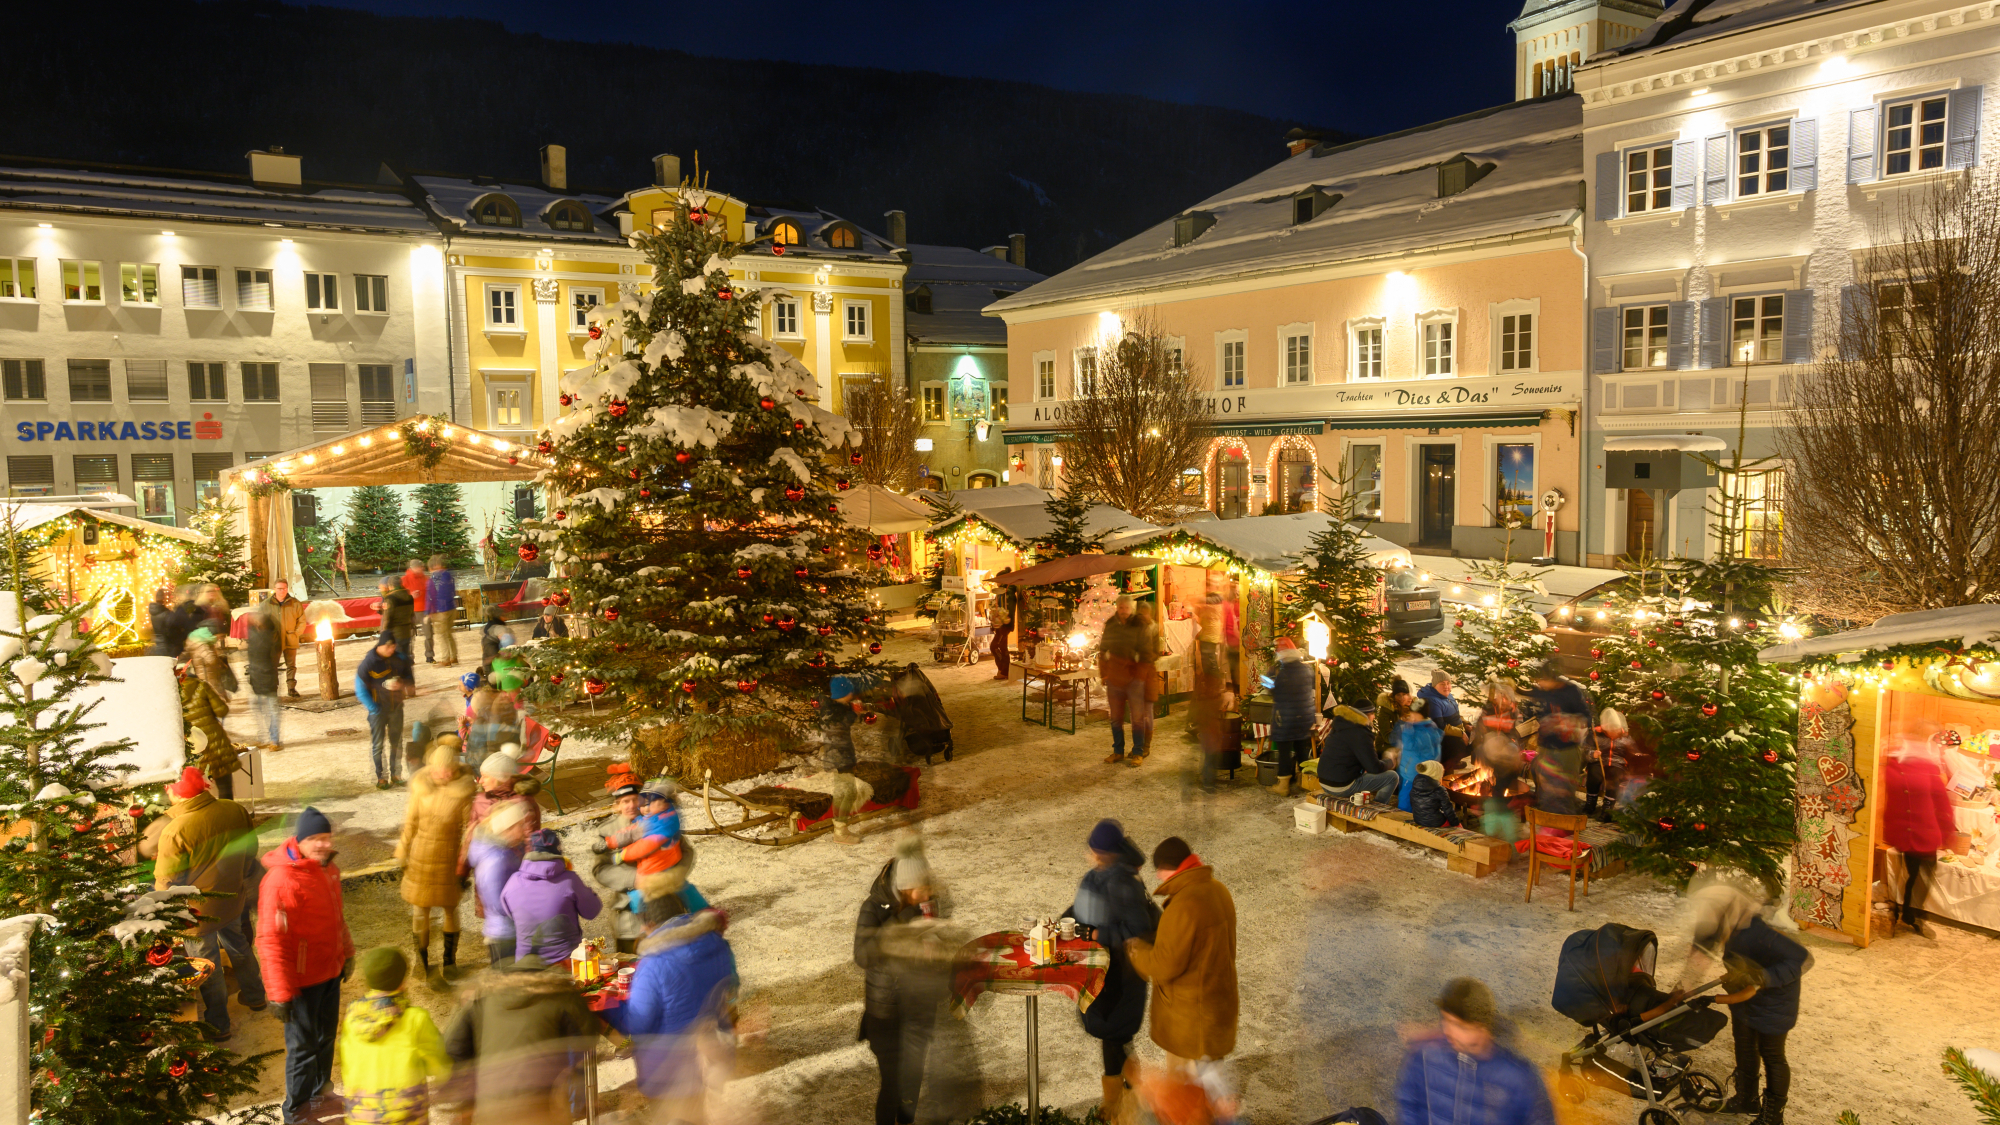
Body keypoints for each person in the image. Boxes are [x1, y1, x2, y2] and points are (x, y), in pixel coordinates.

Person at [256, 807, 355, 1125]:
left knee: (326, 1038)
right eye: (315, 838)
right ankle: (296, 1112)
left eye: (326, 837)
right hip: (300, 982)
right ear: (300, 840)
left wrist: (347, 953)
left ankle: (320, 1096)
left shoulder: (329, 869)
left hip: (329, 971)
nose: (323, 844)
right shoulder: (280, 880)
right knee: (302, 1048)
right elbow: (270, 940)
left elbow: (338, 918)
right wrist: (279, 992)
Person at [154, 767, 265, 1039]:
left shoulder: (175, 830)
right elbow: (250, 850)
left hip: (197, 913)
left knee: (207, 964)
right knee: (239, 945)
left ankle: (218, 1025)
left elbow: (166, 882)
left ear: (178, 795)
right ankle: (256, 996)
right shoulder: (233, 809)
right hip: (232, 899)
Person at [612, 895, 741, 1125]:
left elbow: (638, 1024)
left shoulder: (653, 963)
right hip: (705, 1058)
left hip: (666, 1067)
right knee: (695, 1114)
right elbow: (728, 990)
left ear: (651, 924)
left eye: (643, 922)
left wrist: (610, 1007)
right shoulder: (716, 944)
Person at [1062, 820, 1159, 1120]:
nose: (1090, 855)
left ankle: (1127, 1105)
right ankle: (1119, 1104)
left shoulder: (1124, 883)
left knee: (1116, 1037)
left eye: (1095, 851)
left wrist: (1097, 936)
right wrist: (1060, 924)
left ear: (1104, 853)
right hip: (1101, 971)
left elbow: (1138, 928)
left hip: (1122, 975)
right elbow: (1079, 910)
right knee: (1113, 1038)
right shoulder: (1096, 877)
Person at [1691, 884, 1810, 1123]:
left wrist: (1762, 978)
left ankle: (1772, 1117)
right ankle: (1746, 1099)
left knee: (1772, 1055)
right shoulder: (1731, 926)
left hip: (1774, 1003)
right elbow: (1705, 949)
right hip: (1744, 999)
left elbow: (1802, 959)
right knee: (1744, 1047)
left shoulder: (1760, 931)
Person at [442, 955, 606, 1125]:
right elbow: (588, 1035)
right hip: (543, 1108)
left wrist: (474, 1085)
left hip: (491, 1108)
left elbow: (452, 1046)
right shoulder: (561, 990)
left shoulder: (484, 994)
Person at [855, 832, 945, 1125]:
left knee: (912, 1085)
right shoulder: (874, 908)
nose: (929, 892)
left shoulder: (928, 907)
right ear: (906, 888)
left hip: (919, 1009)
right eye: (922, 887)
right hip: (886, 1013)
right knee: (893, 1086)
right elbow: (863, 955)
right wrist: (901, 927)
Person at [1126, 837, 1237, 1071]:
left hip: (1190, 1018)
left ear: (1169, 868)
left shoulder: (1183, 906)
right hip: (1217, 1005)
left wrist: (1137, 951)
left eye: (1160, 870)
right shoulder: (1219, 890)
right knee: (1212, 1075)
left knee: (1187, 1090)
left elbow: (1164, 964)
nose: (1157, 877)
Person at [1394, 977, 1555, 1125]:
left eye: (1459, 1026)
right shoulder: (1426, 1056)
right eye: (1446, 1020)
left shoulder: (1518, 1077)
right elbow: (1408, 1102)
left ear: (1482, 1028)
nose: (1448, 1030)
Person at [336, 947, 452, 1125]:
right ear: (403, 981)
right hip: (405, 1117)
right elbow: (439, 1067)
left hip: (361, 1117)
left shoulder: (352, 1017)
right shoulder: (416, 1019)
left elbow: (348, 1064)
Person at [397, 744, 476, 984]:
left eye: (447, 770)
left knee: (450, 909)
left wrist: (465, 864)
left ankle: (449, 961)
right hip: (421, 857)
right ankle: (421, 961)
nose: (442, 774)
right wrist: (402, 849)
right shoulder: (421, 788)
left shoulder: (464, 792)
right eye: (438, 769)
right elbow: (410, 822)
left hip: (449, 859)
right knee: (420, 910)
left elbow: (470, 831)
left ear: (454, 769)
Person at [1882, 726, 1957, 939]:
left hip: (1924, 831)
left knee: (1920, 874)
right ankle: (1905, 913)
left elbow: (1941, 801)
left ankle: (1908, 913)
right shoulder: (1896, 767)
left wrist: (1946, 829)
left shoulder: (1918, 767)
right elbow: (1895, 800)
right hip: (1906, 832)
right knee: (1913, 874)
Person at [502, 829, 604, 965]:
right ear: (558, 851)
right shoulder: (569, 880)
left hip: (526, 966)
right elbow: (592, 911)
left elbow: (509, 914)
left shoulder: (512, 882)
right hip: (566, 966)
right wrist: (587, 891)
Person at [1525, 660, 1597, 816]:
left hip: (1567, 749)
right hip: (1546, 747)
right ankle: (1547, 819)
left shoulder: (1571, 691)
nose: (1540, 684)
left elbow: (1586, 717)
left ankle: (1566, 821)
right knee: (1545, 784)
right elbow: (1526, 692)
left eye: (1542, 680)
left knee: (1564, 788)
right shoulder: (1545, 692)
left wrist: (1567, 721)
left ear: (1553, 678)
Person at [468, 799, 533, 967]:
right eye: (520, 825)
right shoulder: (497, 860)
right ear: (507, 828)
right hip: (506, 936)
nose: (524, 829)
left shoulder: (506, 851)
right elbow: (498, 904)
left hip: (511, 931)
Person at [592, 773, 649, 954]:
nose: (631, 805)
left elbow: (684, 852)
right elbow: (600, 869)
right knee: (630, 969)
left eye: (635, 799)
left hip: (664, 907)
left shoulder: (658, 822)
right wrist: (635, 878)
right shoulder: (607, 832)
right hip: (629, 915)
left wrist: (671, 875)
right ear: (617, 805)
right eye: (625, 801)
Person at [1100, 597, 1159, 767]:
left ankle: (1138, 752)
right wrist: (1104, 673)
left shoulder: (1139, 625)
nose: (1123, 610)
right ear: (1117, 608)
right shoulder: (1111, 624)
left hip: (1134, 679)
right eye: (1120, 607)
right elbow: (1103, 649)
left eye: (1126, 607)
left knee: (1138, 718)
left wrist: (1139, 675)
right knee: (1116, 718)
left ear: (1131, 608)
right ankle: (1118, 751)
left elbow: (1147, 653)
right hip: (1115, 677)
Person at [179, 644, 242, 798]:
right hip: (215, 743)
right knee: (225, 786)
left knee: (196, 790)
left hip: (193, 748)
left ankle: (204, 817)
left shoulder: (171, 695)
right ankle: (229, 816)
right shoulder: (201, 686)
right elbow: (222, 710)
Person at [356, 633, 414, 789]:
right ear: (380, 645)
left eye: (393, 646)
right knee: (378, 745)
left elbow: (409, 677)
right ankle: (381, 777)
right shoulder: (369, 663)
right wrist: (374, 708)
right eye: (388, 646)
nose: (391, 649)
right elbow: (360, 689)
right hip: (378, 710)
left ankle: (396, 775)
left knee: (397, 743)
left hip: (396, 707)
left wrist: (402, 684)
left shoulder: (400, 658)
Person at [1317, 698, 1400, 806]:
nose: (1374, 717)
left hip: (1324, 780)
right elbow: (1374, 768)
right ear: (1364, 715)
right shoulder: (1361, 732)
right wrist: (1390, 761)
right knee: (1392, 777)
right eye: (1372, 713)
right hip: (1340, 785)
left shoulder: (1341, 725)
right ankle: (1378, 808)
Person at [1268, 636, 1316, 797]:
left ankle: (1283, 786)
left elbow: (1273, 692)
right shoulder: (1307, 670)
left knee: (1284, 752)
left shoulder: (1284, 674)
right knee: (1302, 750)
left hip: (1286, 719)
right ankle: (1304, 782)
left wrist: (1268, 677)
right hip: (1305, 717)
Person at [890, 662, 953, 764]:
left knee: (935, 716)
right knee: (931, 717)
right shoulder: (911, 684)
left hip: (924, 707)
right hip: (917, 708)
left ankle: (932, 738)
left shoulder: (914, 682)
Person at [244, 601, 284, 752]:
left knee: (271, 710)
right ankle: (266, 738)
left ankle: (274, 740)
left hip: (266, 678)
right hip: (257, 678)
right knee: (259, 709)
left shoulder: (268, 639)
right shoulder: (258, 636)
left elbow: (273, 658)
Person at [1418, 669, 1470, 772]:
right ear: (1434, 686)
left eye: (1448, 683)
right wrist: (1461, 733)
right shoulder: (1433, 701)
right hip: (1440, 737)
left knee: (1473, 735)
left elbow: (1456, 714)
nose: (1446, 686)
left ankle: (1454, 761)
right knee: (1458, 743)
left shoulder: (1447, 695)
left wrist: (1466, 724)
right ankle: (1445, 767)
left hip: (1453, 729)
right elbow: (1440, 726)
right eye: (1442, 684)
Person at [1397, 698, 1443, 812]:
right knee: (1424, 797)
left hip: (1413, 772)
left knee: (1405, 799)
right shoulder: (1431, 726)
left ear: (1420, 715)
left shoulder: (1418, 731)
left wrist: (1407, 729)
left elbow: (1409, 746)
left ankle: (1404, 817)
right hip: (1426, 771)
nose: (1411, 716)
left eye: (1414, 713)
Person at [270, 579, 308, 699]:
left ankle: (291, 688)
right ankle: (273, 689)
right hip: (274, 640)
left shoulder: (295, 603)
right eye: (279, 588)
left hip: (290, 638)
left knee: (291, 665)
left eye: (284, 588)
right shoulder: (267, 604)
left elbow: (302, 620)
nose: (282, 591)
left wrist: (296, 633)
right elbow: (261, 621)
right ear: (275, 589)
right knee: (273, 665)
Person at [821, 675, 863, 773]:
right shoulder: (834, 711)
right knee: (844, 779)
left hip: (839, 753)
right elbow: (840, 725)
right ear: (843, 693)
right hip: (839, 756)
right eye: (850, 692)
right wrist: (854, 713)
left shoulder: (837, 706)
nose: (852, 694)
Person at [425, 554, 459, 665]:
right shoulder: (449, 576)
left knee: (441, 635)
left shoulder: (433, 579)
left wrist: (428, 612)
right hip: (451, 608)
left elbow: (431, 597)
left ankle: (445, 659)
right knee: (449, 634)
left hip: (440, 611)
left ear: (432, 567)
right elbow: (453, 592)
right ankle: (454, 657)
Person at [149, 584, 202, 656]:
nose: (172, 599)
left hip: (160, 646)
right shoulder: (167, 614)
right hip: (169, 648)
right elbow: (172, 632)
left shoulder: (155, 612)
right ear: (164, 598)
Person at [1409, 759, 1460, 829]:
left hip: (1418, 820)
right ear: (1436, 774)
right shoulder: (1439, 790)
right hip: (1436, 822)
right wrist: (1456, 824)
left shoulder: (1415, 785)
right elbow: (1448, 809)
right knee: (1456, 825)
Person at [1374, 677, 1415, 764]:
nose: (1401, 698)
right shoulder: (1386, 710)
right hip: (1387, 745)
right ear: (1393, 696)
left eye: (1404, 694)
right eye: (1398, 695)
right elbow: (1388, 737)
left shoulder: (1413, 707)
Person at [378, 575, 417, 661]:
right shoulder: (409, 597)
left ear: (390, 585)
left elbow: (388, 618)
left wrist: (384, 634)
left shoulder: (390, 598)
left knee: (396, 657)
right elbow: (411, 614)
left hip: (395, 632)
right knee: (405, 654)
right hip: (407, 630)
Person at [988, 568, 1013, 681]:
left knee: (995, 646)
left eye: (998, 580)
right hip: (999, 624)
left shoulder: (1009, 593)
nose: (996, 583)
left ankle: (1004, 670)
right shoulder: (1000, 593)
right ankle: (1004, 671)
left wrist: (1006, 622)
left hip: (1005, 625)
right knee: (1002, 647)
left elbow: (1009, 611)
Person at [1195, 591, 1225, 677]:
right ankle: (1210, 681)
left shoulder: (1213, 608)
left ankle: (1215, 683)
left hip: (1210, 635)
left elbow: (1200, 603)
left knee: (1210, 660)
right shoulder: (1209, 608)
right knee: (1207, 659)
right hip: (1207, 635)